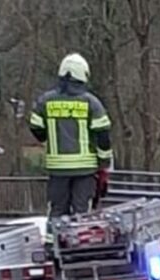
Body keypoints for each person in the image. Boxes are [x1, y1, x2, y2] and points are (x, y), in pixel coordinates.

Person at [29, 53, 113, 218]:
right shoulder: (91, 103)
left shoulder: (45, 101)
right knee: (82, 214)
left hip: (57, 169)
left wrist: (48, 140)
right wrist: (104, 163)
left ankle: (53, 242)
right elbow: (103, 136)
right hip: (85, 169)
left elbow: (35, 127)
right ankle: (78, 243)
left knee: (57, 212)